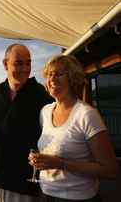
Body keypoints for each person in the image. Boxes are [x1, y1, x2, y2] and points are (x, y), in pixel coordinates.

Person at [28, 55, 119, 202]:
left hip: (78, 198)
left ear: (72, 78)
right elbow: (55, 146)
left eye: (59, 74)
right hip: (45, 194)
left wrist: (61, 164)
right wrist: (40, 159)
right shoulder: (45, 111)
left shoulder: (87, 115)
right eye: (49, 74)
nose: (52, 78)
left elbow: (110, 170)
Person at [0, 44, 53, 202]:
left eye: (28, 63)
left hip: (24, 181)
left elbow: (55, 130)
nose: (25, 68)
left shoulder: (40, 94)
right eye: (19, 63)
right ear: (5, 64)